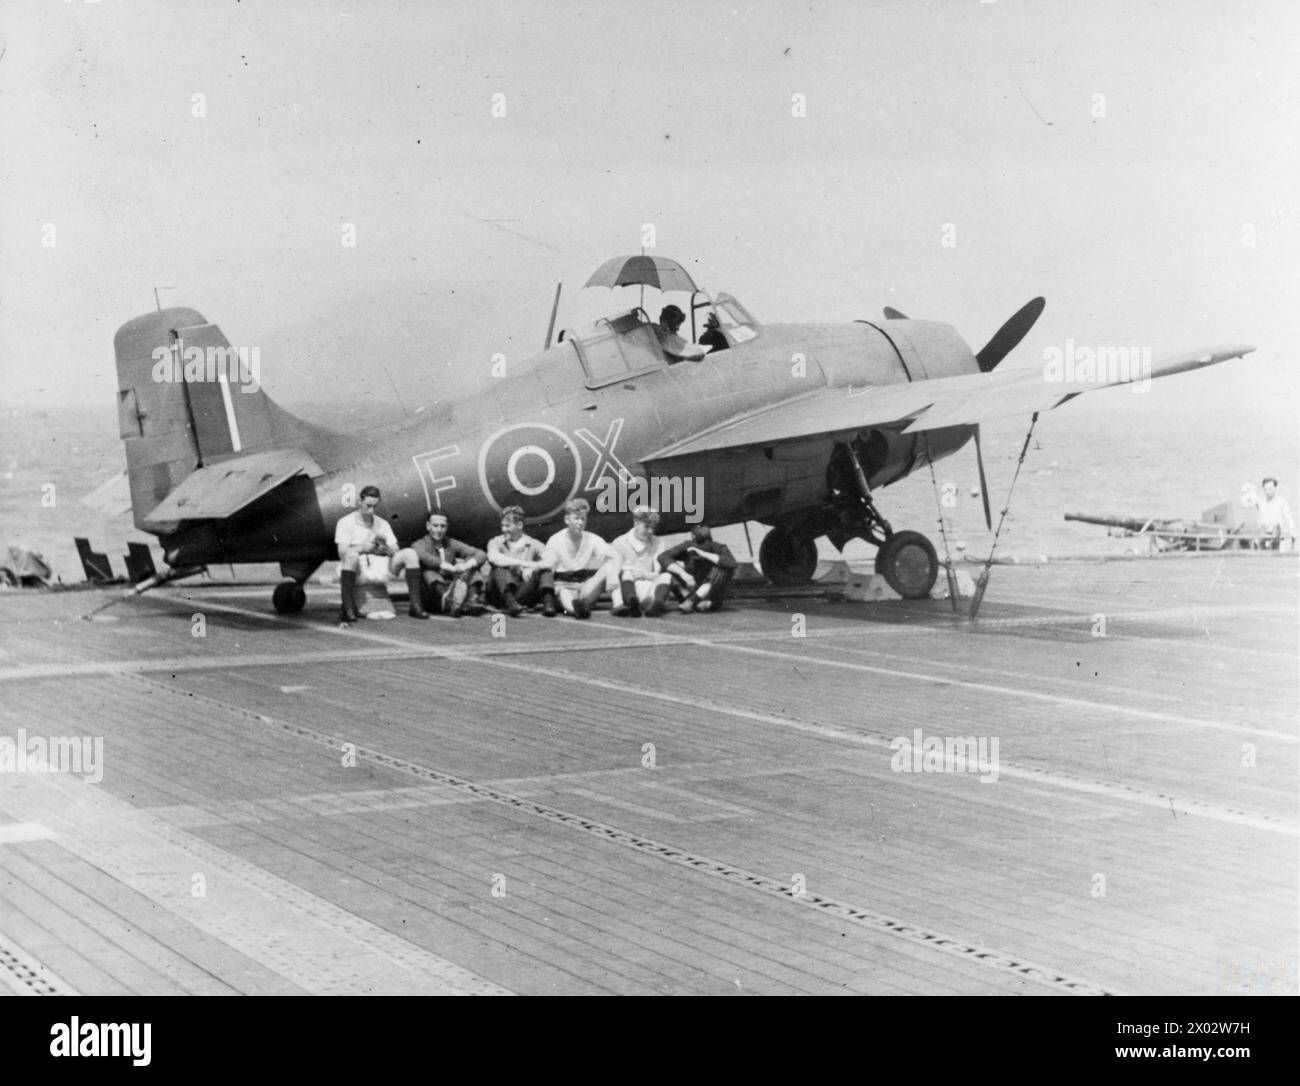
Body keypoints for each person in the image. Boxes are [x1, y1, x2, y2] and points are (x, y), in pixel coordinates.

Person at [391, 513, 487, 618]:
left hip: (451, 588)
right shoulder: (419, 544)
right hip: (431, 596)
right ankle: (451, 603)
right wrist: (449, 567)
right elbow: (424, 557)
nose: (439, 530)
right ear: (428, 526)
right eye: (435, 526)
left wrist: (465, 566)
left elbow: (480, 554)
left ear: (447, 527)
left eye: (443, 526)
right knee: (429, 573)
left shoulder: (451, 542)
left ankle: (470, 602)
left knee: (472, 569)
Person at [334, 485, 398, 624]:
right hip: (356, 568)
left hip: (378, 566)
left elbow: (395, 549)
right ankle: (347, 607)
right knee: (351, 555)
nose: (371, 511)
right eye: (368, 506)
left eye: (375, 507)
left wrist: (384, 548)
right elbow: (342, 551)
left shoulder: (383, 524)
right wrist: (362, 548)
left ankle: (416, 607)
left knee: (409, 554)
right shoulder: (345, 522)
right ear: (359, 502)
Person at [541, 498, 609, 618]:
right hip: (563, 586)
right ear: (567, 519)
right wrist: (554, 588)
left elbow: (613, 555)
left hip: (584, 588)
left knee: (610, 566)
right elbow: (548, 568)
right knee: (564, 593)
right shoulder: (555, 540)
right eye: (576, 518)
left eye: (583, 519)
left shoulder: (592, 538)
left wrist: (612, 575)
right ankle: (575, 609)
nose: (580, 522)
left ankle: (583, 605)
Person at [608, 506, 673, 617]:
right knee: (627, 572)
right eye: (647, 527)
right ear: (636, 522)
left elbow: (657, 573)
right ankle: (632, 602)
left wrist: (643, 575)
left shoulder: (658, 542)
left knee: (666, 575)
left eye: (653, 527)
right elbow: (613, 572)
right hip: (629, 586)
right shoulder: (620, 542)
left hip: (650, 586)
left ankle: (655, 604)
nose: (650, 531)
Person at [486, 505, 548, 616]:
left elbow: (551, 559)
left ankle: (549, 605)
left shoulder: (533, 543)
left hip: (522, 592)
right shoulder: (496, 541)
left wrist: (533, 567)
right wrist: (523, 563)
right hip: (500, 594)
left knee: (544, 569)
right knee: (499, 567)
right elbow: (493, 557)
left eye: (507, 526)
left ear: (519, 525)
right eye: (502, 526)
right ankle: (510, 602)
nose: (503, 529)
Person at [660, 524, 737, 612]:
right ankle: (693, 602)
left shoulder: (717, 547)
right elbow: (662, 557)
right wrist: (683, 574)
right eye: (699, 543)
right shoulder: (687, 546)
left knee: (724, 569)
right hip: (689, 590)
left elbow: (732, 563)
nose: (703, 545)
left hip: (709, 594)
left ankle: (693, 602)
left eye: (705, 543)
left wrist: (701, 553)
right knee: (667, 568)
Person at [1255, 477, 1296, 550]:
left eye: (1270, 489)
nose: (1267, 492)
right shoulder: (1260, 501)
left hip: (1277, 534)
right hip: (1263, 532)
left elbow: (1288, 517)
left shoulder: (1282, 501)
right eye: (1265, 489)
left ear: (1275, 488)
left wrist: (1292, 531)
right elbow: (1259, 518)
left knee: (1276, 528)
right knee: (1262, 530)